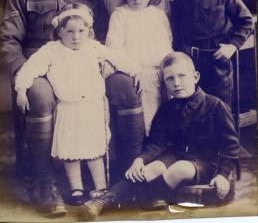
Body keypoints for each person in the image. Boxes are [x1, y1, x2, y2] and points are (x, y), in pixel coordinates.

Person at [0, 0, 103, 217]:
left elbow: (100, 33)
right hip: (38, 65)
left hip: (80, 64)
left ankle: (117, 176)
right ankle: (45, 183)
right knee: (42, 94)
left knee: (122, 85)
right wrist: (24, 76)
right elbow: (8, 39)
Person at [79, 52, 240, 220]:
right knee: (150, 168)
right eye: (169, 79)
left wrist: (223, 174)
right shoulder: (167, 109)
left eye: (182, 76)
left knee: (180, 169)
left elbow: (231, 147)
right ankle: (103, 202)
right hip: (176, 155)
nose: (176, 83)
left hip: (206, 162)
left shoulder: (216, 107)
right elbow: (158, 142)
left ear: (195, 76)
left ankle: (138, 197)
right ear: (164, 82)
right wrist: (141, 159)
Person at [14, 3, 136, 208]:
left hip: (92, 108)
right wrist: (21, 89)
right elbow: (30, 68)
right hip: (68, 108)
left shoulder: (94, 47)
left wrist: (135, 71)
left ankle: (100, 187)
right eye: (69, 31)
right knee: (71, 150)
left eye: (81, 31)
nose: (76, 36)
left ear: (88, 31)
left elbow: (118, 58)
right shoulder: (51, 51)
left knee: (94, 149)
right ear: (59, 31)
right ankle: (76, 188)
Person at [170, 0, 254, 105]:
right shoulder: (180, 2)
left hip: (218, 64)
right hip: (191, 65)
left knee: (220, 106)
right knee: (193, 106)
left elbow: (246, 21)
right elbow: (177, 35)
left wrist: (232, 45)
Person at [105, 0, 172, 172]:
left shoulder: (158, 14)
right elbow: (113, 50)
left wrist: (166, 69)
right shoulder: (120, 15)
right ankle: (138, 162)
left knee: (165, 117)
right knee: (144, 121)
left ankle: (163, 160)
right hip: (135, 73)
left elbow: (167, 44)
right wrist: (133, 70)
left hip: (159, 72)